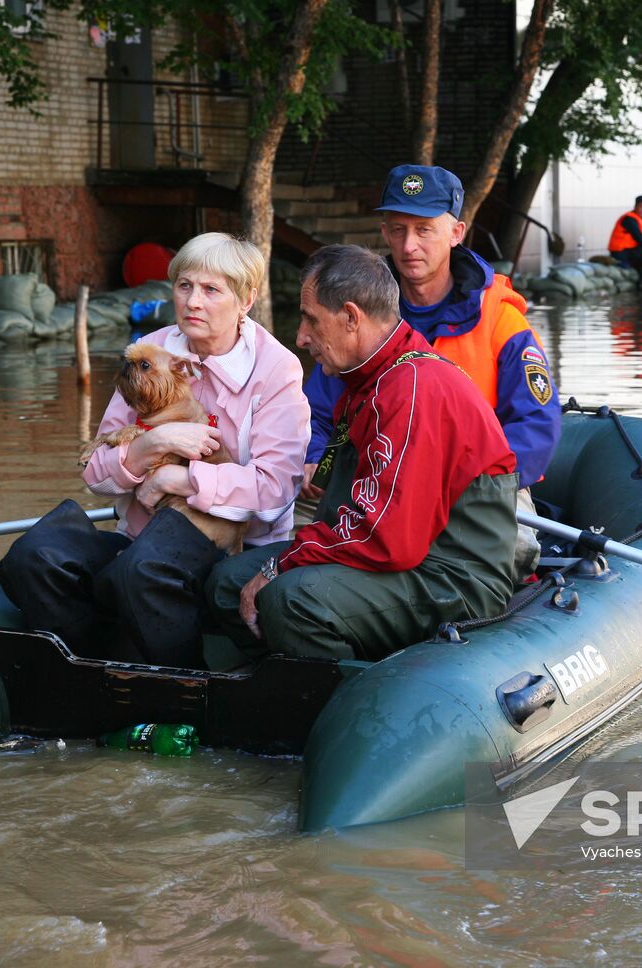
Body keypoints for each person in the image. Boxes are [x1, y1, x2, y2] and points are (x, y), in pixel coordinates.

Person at [0, 233, 310, 667]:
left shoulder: (275, 368)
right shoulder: (150, 353)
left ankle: (187, 694)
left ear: (246, 300)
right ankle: (93, 669)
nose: (193, 302)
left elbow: (275, 490)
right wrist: (152, 444)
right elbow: (96, 475)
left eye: (211, 289)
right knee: (32, 558)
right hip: (140, 538)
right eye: (184, 286)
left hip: (231, 547)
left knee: (141, 571)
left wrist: (179, 478)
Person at [207, 244, 520, 664]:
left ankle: (343, 706)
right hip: (404, 559)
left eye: (310, 320)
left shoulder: (411, 389)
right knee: (227, 582)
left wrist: (279, 566)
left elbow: (389, 540)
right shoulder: (369, 379)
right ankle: (270, 684)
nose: (301, 337)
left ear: (351, 317)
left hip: (453, 575)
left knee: (291, 599)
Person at [301, 164, 559, 576]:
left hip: (473, 489)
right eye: (398, 229)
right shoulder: (358, 314)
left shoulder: (501, 319)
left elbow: (535, 425)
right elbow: (318, 411)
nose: (409, 246)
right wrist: (318, 459)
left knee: (512, 550)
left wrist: (456, 487)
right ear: (384, 233)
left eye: (424, 230)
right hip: (375, 480)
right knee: (295, 528)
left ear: (456, 234)